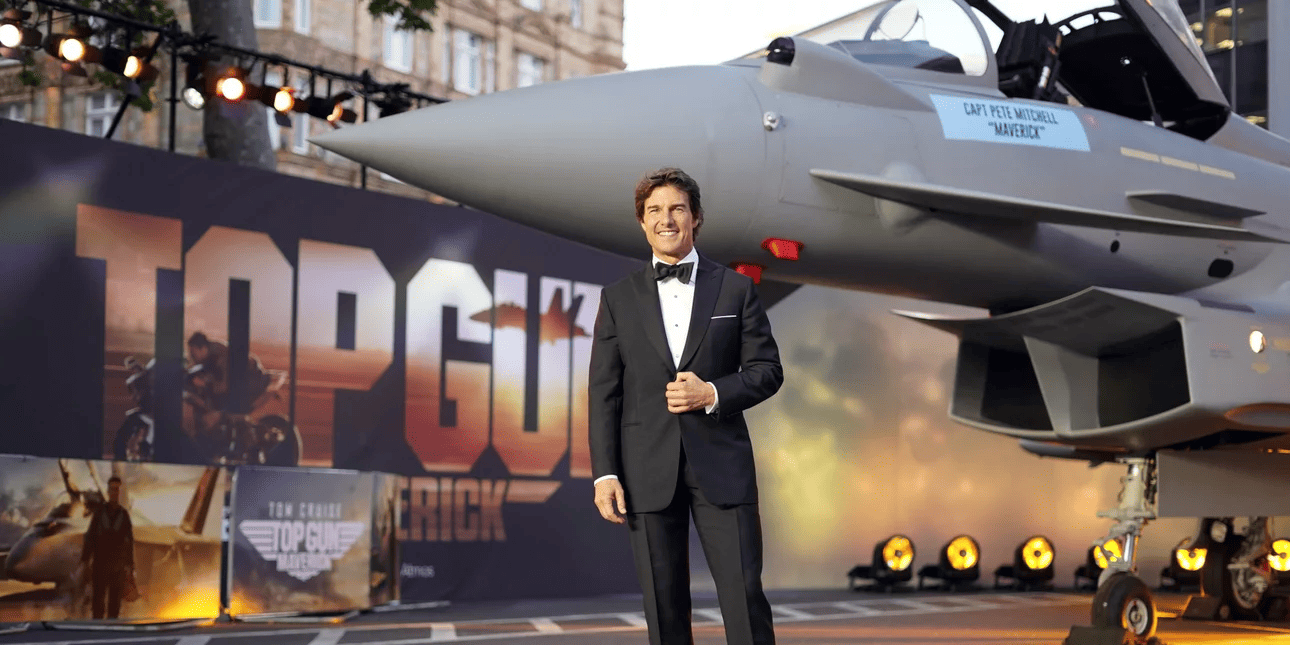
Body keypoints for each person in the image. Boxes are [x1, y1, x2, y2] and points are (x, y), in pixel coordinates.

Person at [589, 167, 783, 645]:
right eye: (654, 210)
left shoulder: (736, 289)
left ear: (695, 217)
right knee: (664, 609)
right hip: (645, 472)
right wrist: (605, 474)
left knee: (744, 599)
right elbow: (604, 393)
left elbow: (767, 371)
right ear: (642, 222)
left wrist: (712, 393)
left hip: (723, 466)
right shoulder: (617, 299)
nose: (666, 219)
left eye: (677, 208)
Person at [81, 475, 135, 620]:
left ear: (120, 492)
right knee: (97, 605)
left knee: (114, 608)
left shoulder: (124, 515)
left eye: (117, 489)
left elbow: (129, 542)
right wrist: (85, 561)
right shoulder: (99, 514)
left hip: (117, 567)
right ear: (108, 491)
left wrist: (130, 567)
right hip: (100, 565)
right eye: (112, 489)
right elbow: (90, 537)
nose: (114, 492)